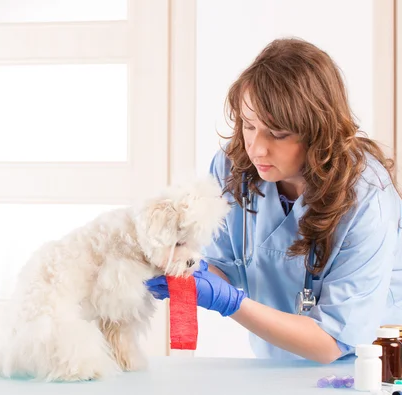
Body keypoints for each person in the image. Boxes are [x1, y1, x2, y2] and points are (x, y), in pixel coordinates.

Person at [146, 37, 402, 363]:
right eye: (249, 125)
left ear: (319, 131)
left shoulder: (368, 199)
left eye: (278, 134)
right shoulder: (233, 165)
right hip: (276, 361)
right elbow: (224, 264)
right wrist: (187, 271)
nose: (257, 148)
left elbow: (333, 341)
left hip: (366, 367)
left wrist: (229, 303)